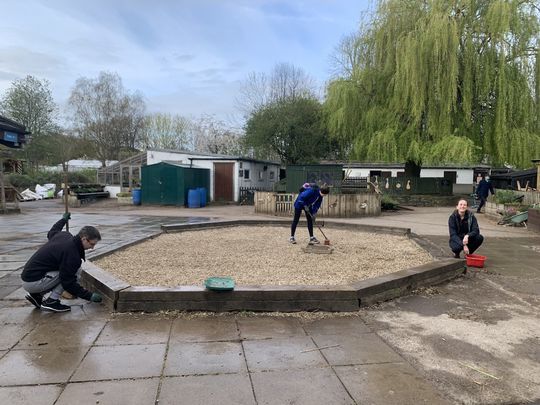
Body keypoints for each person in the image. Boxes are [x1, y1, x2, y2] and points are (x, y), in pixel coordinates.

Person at [21, 213, 103, 312]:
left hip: (29, 277)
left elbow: (52, 232)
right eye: (92, 244)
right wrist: (89, 296)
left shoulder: (64, 235)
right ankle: (52, 301)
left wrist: (63, 220)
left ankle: (36, 296)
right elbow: (68, 283)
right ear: (84, 239)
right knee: (74, 271)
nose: (92, 247)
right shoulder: (72, 254)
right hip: (33, 282)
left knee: (68, 270)